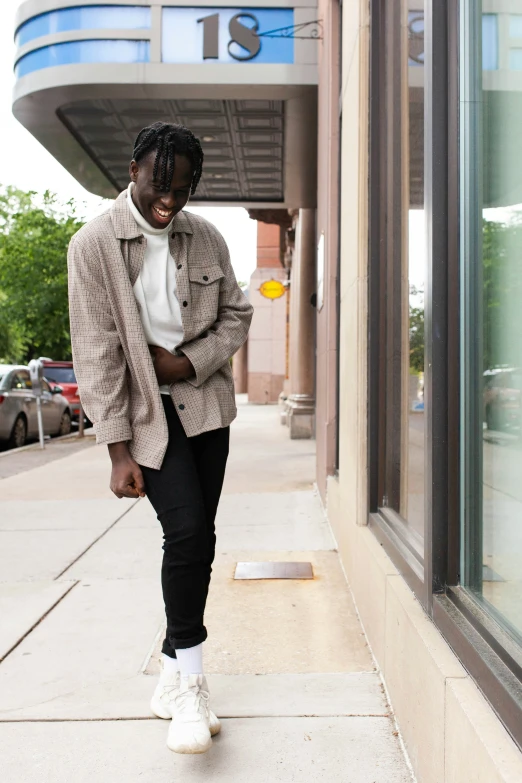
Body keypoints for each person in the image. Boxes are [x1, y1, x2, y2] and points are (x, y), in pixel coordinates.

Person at [67, 121, 253, 754]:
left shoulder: (207, 237)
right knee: (188, 533)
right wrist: (116, 449)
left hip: (205, 408)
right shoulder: (93, 245)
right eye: (160, 184)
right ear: (134, 170)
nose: (169, 200)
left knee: (201, 537)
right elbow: (95, 350)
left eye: (184, 187)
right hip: (148, 418)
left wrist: (188, 361)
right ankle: (194, 687)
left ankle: (171, 673)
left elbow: (237, 314)